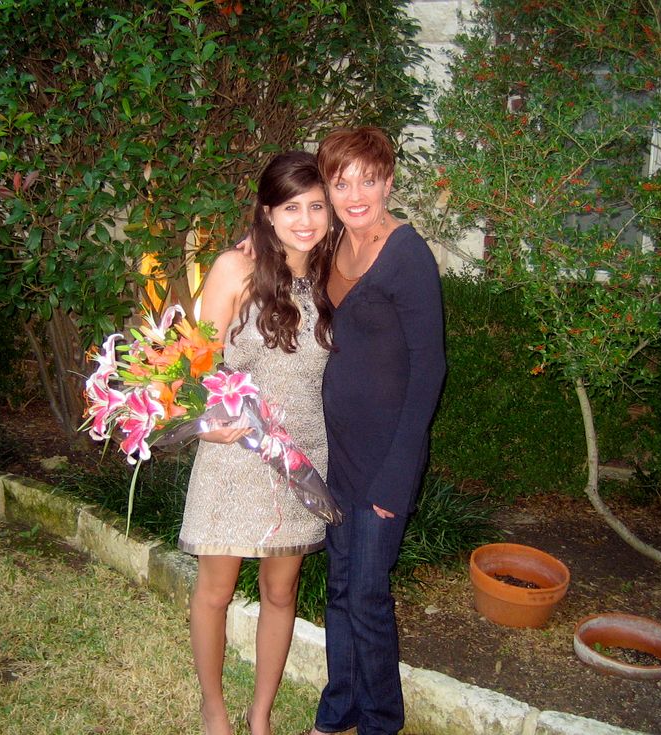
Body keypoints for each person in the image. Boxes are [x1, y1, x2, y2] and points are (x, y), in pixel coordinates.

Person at [178, 151, 335, 735]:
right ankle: (214, 709)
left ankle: (260, 715)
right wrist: (204, 420)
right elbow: (191, 366)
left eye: (316, 206)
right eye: (291, 206)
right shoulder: (233, 270)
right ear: (267, 213)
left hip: (301, 457)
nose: (304, 219)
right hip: (235, 453)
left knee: (281, 587)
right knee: (215, 590)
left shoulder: (330, 276)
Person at [307, 126, 447, 735]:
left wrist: (398, 477)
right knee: (340, 589)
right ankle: (339, 709)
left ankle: (381, 722)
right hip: (334, 455)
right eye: (342, 182)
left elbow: (430, 370)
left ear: (389, 182)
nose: (356, 193)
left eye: (369, 179)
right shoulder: (336, 242)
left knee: (365, 596)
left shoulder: (407, 253)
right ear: (330, 189)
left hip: (382, 461)